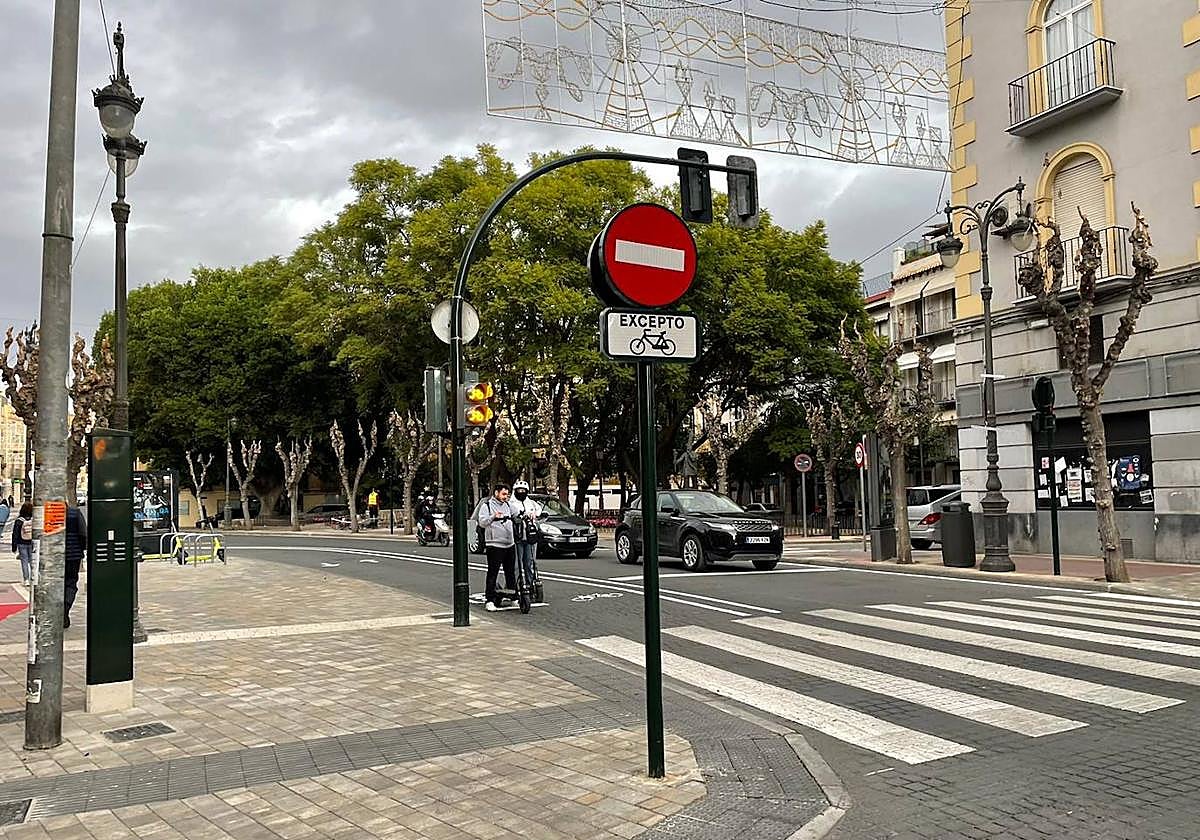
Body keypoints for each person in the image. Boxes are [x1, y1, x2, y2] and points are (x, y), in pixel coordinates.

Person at [477, 483, 516, 611]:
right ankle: (490, 600)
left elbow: (519, 513)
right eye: (503, 494)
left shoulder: (509, 505)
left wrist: (530, 514)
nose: (506, 497)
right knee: (493, 572)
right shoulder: (486, 506)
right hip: (494, 544)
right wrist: (494, 516)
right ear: (496, 493)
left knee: (510, 572)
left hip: (509, 543)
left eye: (507, 494)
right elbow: (482, 522)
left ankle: (513, 597)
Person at [509, 480, 543, 602]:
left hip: (530, 537)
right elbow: (511, 515)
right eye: (519, 491)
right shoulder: (511, 503)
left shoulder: (531, 503)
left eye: (524, 491)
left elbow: (539, 511)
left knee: (530, 562)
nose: (521, 493)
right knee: (517, 565)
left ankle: (530, 584)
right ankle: (519, 586)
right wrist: (519, 516)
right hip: (517, 537)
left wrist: (534, 515)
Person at [64, 506, 86, 629]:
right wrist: (81, 548)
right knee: (71, 583)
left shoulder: (47, 512)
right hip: (73, 555)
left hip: (54, 556)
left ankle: (60, 610)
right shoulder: (74, 513)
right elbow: (83, 533)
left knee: (57, 584)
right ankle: (66, 608)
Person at [10, 502, 34, 587]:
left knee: (24, 561)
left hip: (21, 542)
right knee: (32, 561)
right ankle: (33, 577)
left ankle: (26, 579)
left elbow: (15, 534)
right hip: (32, 542)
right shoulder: (33, 519)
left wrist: (14, 546)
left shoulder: (19, 520)